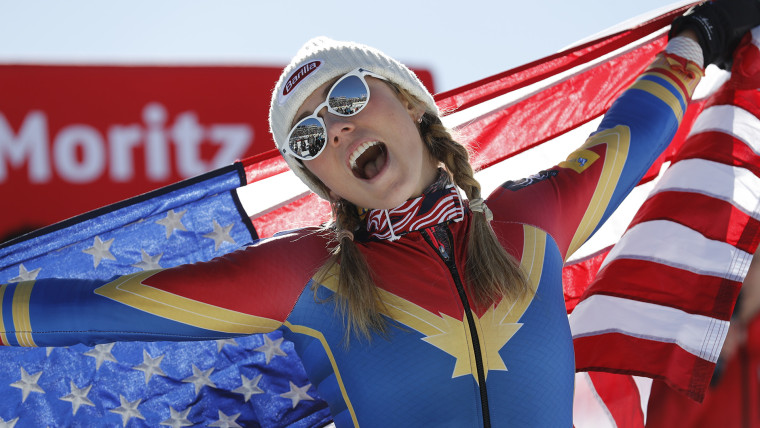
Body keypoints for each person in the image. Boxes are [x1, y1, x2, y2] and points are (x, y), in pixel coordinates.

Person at [3, 1, 760, 426]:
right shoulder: (309, 277)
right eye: (309, 138)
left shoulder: (530, 223)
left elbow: (628, 139)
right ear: (325, 181)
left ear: (413, 107)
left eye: (345, 96)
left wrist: (703, 36)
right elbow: (94, 310)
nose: (334, 129)